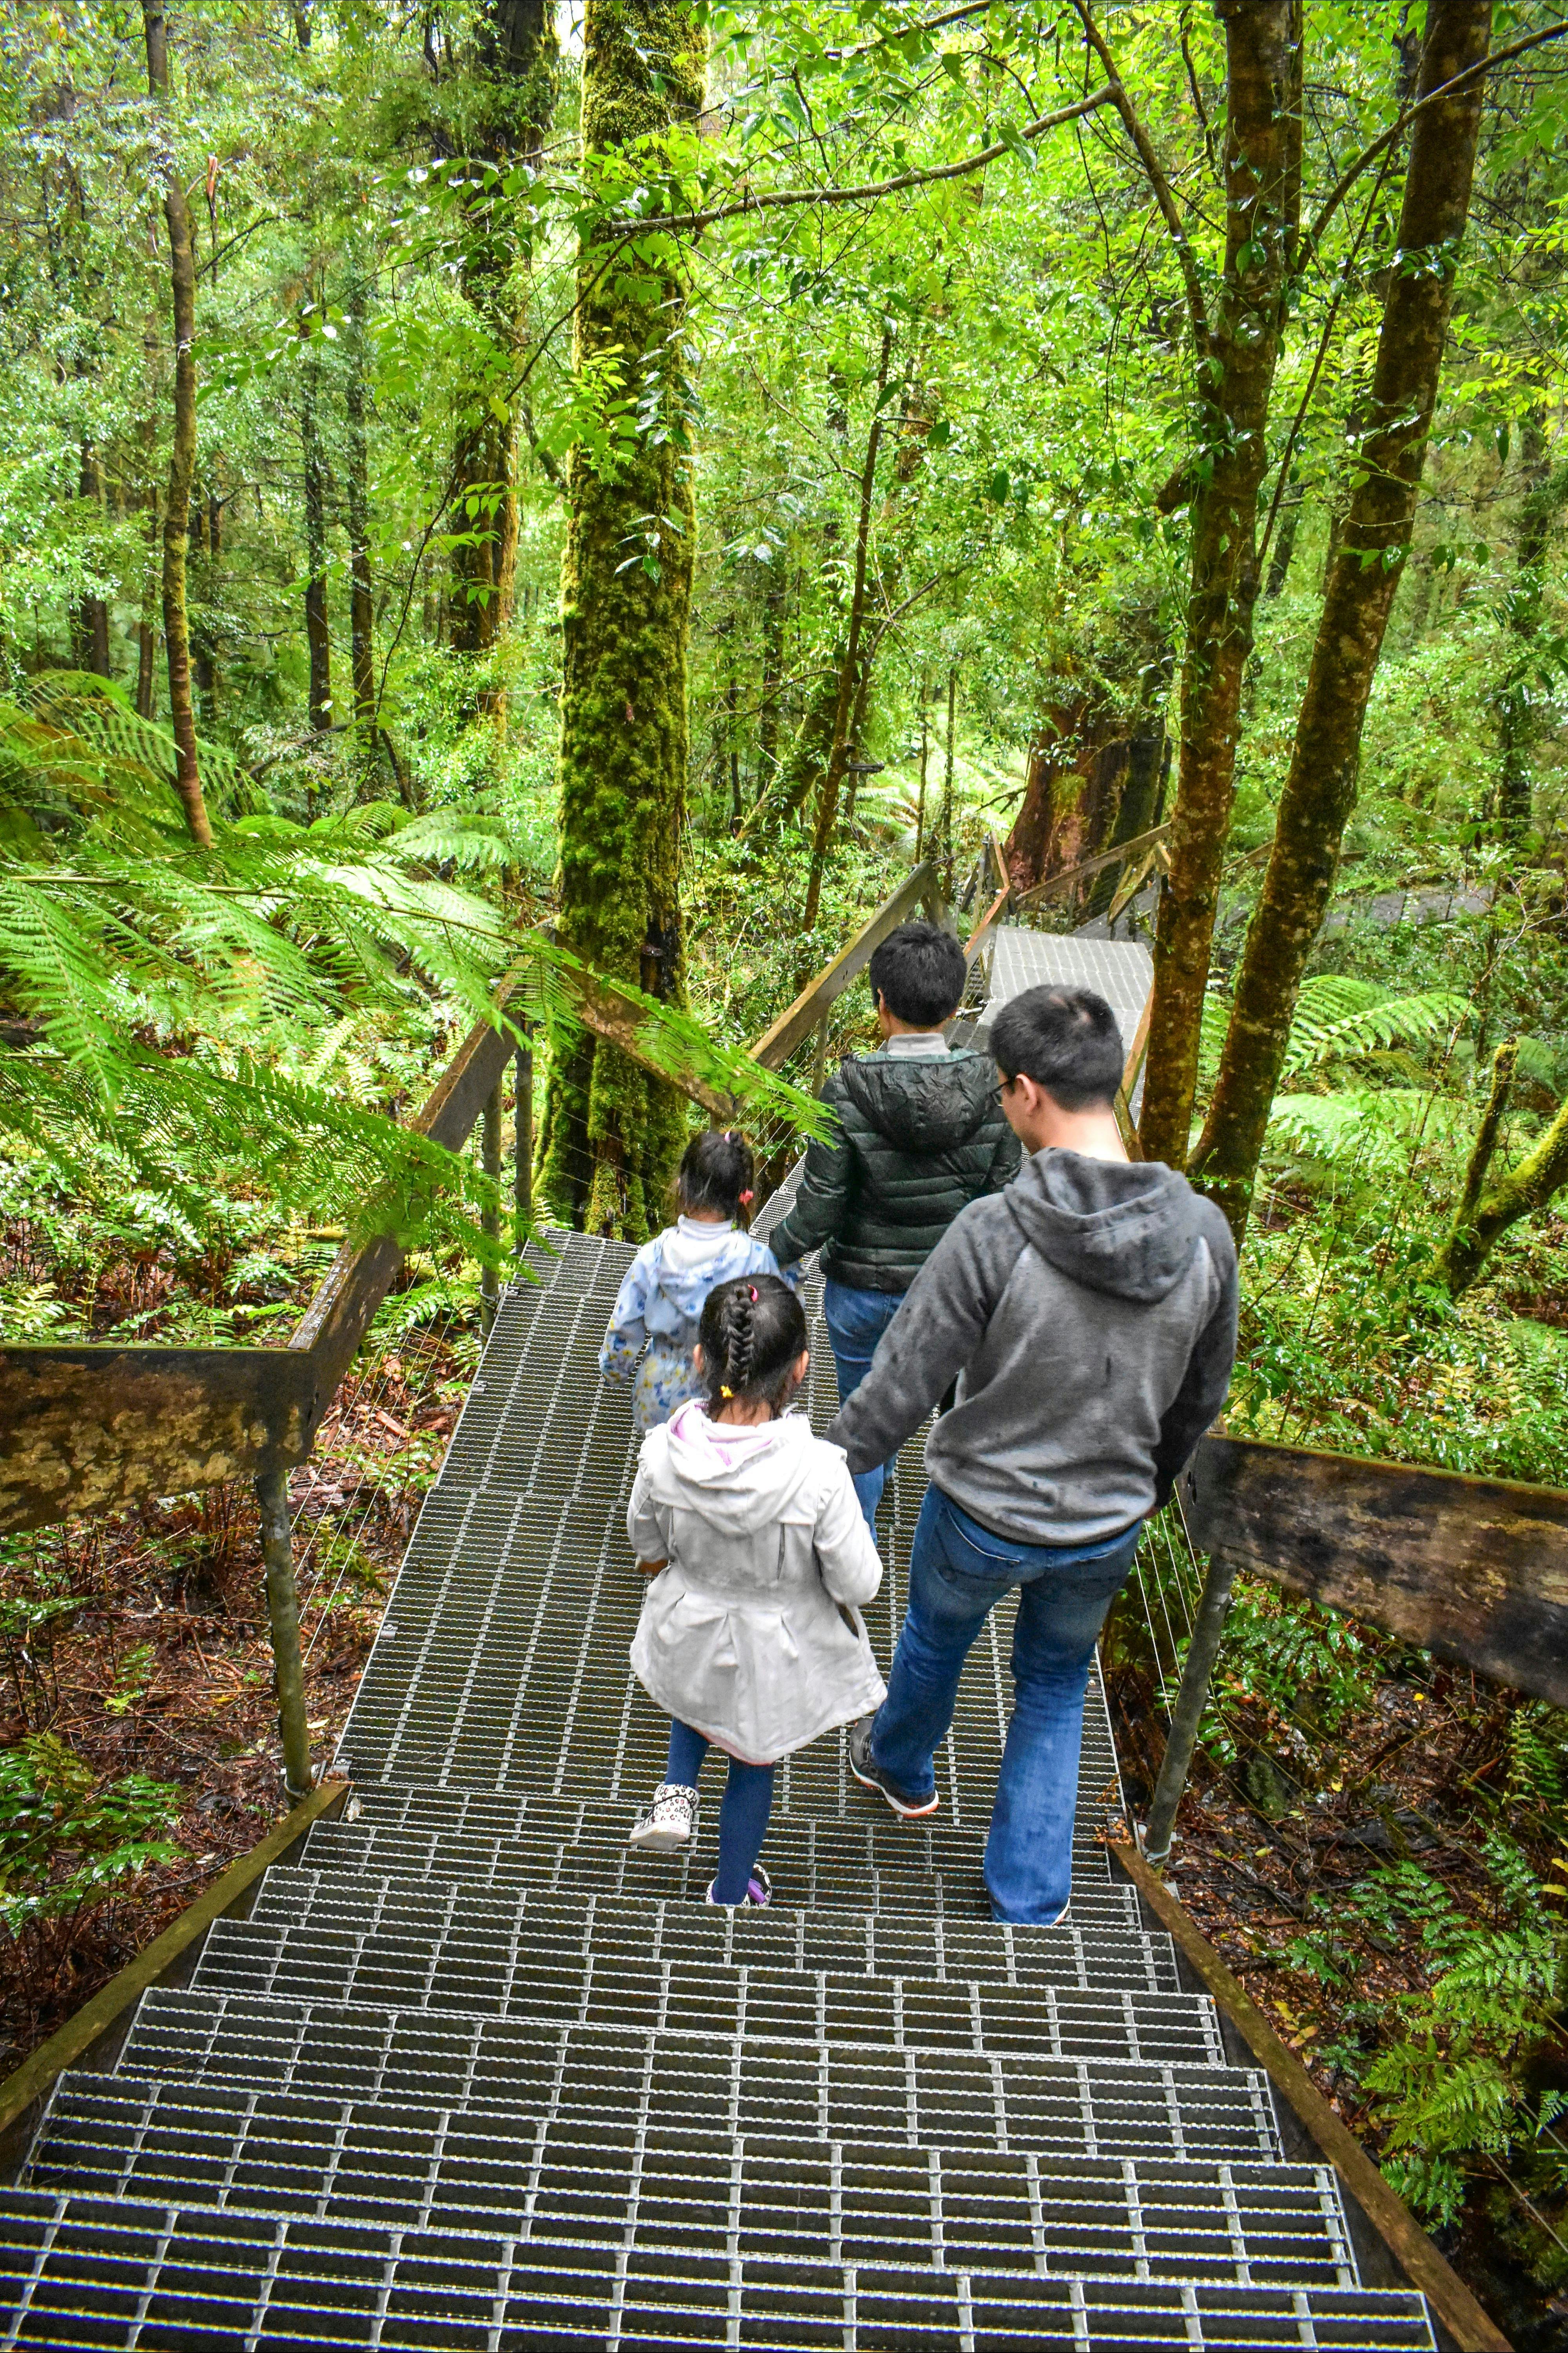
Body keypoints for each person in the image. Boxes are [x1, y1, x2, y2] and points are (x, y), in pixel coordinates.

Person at [826, 983, 1239, 1926]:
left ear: (1023, 1093)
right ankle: (1028, 1894)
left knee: (935, 1637)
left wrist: (822, 1465)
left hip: (977, 1509)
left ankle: (898, 1765)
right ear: (1113, 1079)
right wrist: (1145, 1488)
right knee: (1053, 1686)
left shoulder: (995, 1230)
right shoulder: (1205, 1238)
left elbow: (899, 1382)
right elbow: (1198, 1398)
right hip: (1103, 1523)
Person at [625, 1272, 886, 1907]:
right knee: (752, 1761)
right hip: (773, 1646)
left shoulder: (662, 1451)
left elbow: (646, 1536)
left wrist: (667, 1562)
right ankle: (730, 1888)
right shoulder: (822, 1474)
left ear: (699, 1359)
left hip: (691, 1617)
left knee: (693, 1690)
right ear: (799, 1368)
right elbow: (860, 1581)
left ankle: (676, 1790)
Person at [769, 920, 1020, 1535]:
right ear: (956, 1004)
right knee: (960, 1417)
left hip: (862, 1288)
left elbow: (821, 1206)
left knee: (863, 1419)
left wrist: (773, 1250)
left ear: (880, 1002)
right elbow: (1002, 1199)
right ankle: (955, 1540)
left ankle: (857, 1549)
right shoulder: (995, 1088)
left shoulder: (847, 1088)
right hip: (956, 1297)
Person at [599, 1129, 787, 1433]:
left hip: (659, 1398)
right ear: (741, 1195)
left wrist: (614, 1371)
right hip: (729, 1398)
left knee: (661, 1469)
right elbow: (778, 1329)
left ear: (681, 1186)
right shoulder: (756, 1260)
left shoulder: (652, 1257)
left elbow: (624, 1325)